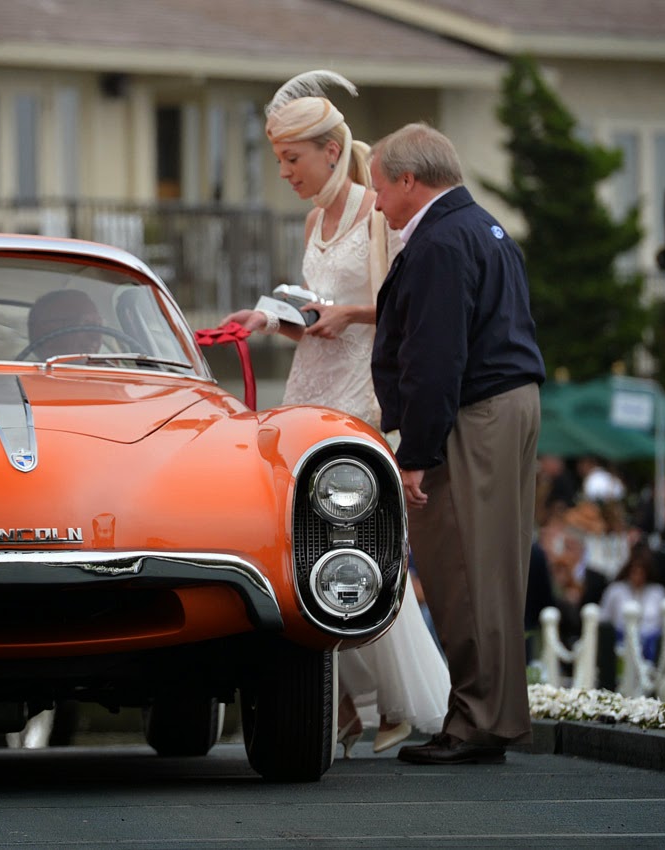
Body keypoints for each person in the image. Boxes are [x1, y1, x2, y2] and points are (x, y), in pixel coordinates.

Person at [222, 70, 449, 757]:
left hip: (362, 394)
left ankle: (399, 702)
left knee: (363, 543)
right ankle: (349, 701)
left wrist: (347, 312)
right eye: (280, 162)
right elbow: (318, 314)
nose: (285, 173)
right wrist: (271, 319)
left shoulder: (376, 211)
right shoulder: (316, 218)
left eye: (293, 159)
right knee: (307, 548)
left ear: (329, 149)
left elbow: (405, 308)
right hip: (310, 388)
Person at [369, 122, 546, 765]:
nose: (379, 204)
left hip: (476, 414)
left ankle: (476, 722)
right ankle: (488, 717)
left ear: (410, 182)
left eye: (381, 188)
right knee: (492, 570)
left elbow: (435, 355)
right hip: (504, 405)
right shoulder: (483, 227)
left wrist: (416, 451)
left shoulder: (441, 241)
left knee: (465, 570)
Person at [598, 540, 665, 662]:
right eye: (634, 572)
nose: (638, 576)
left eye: (641, 572)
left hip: (651, 644)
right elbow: (604, 618)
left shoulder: (658, 592)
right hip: (620, 642)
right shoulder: (616, 590)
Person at [25, 289, 104, 359]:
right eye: (86, 324)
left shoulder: (112, 372)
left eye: (100, 326)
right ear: (48, 329)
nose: (96, 337)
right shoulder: (15, 374)